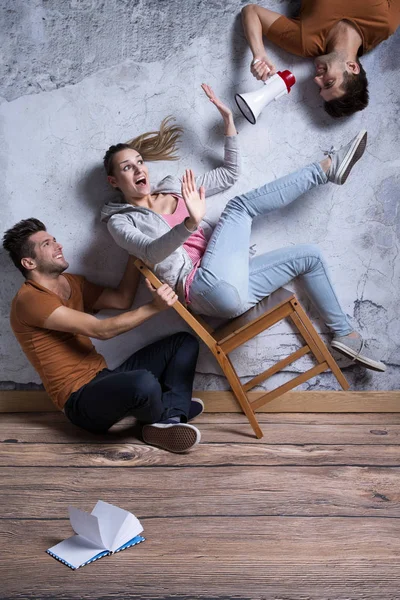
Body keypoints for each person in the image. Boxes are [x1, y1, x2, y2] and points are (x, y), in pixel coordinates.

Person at [100, 85, 386, 372]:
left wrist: (229, 124)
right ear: (114, 181)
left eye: (140, 162)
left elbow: (228, 175)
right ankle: (326, 167)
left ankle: (347, 337)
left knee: (309, 257)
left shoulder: (175, 187)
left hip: (233, 285)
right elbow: (151, 252)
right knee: (239, 207)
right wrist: (190, 223)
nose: (139, 170)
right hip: (202, 288)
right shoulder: (120, 221)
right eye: (127, 167)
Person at [2, 218, 204, 453]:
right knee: (143, 382)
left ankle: (168, 415)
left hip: (104, 378)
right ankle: (170, 411)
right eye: (47, 244)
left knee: (183, 343)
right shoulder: (30, 299)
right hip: (80, 402)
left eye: (55, 240)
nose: (59, 245)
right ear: (28, 262)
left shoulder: (71, 283)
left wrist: (134, 250)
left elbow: (121, 299)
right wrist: (154, 307)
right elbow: (101, 330)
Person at [241, 1, 400, 117]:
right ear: (352, 67)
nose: (317, 80)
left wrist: (259, 54)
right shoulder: (384, 24)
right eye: (328, 83)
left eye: (320, 87)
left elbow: (251, 12)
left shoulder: (305, 43)